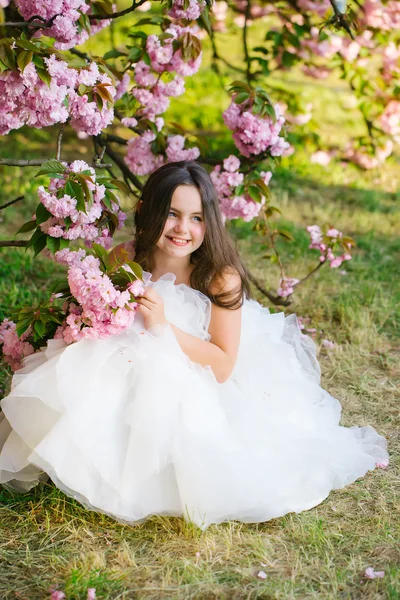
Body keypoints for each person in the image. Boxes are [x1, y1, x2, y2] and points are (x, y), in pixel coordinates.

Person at [0, 161, 388, 530]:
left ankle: (143, 474)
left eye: (197, 218)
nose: (182, 228)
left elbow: (221, 366)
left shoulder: (219, 277)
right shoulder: (125, 258)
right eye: (171, 213)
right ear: (149, 211)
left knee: (161, 386)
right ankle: (80, 457)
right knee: (90, 366)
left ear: (210, 222)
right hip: (126, 357)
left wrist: (162, 325)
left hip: (200, 372)